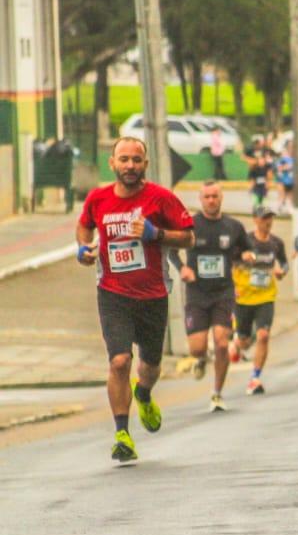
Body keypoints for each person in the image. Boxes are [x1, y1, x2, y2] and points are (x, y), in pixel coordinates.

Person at [76, 136, 194, 462]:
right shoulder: (98, 199)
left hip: (153, 295)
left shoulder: (161, 198)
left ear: (145, 164)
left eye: (136, 160)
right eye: (123, 159)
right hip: (112, 294)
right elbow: (84, 227)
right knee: (119, 361)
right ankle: (122, 434)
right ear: (112, 163)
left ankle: (143, 393)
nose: (130, 166)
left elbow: (188, 236)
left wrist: (155, 234)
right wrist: (83, 249)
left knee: (150, 366)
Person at [169, 181, 252, 411]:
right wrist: (182, 268)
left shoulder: (233, 226)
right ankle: (202, 359)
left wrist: (247, 256)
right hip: (197, 293)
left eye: (215, 196)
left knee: (222, 343)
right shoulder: (190, 225)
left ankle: (217, 393)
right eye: (207, 197)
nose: (211, 200)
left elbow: (245, 248)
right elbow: (171, 250)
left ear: (221, 198)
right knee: (196, 347)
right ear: (200, 199)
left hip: (223, 292)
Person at [232, 206, 289, 394]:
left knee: (264, 335)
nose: (268, 222)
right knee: (245, 341)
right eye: (264, 218)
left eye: (270, 218)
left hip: (266, 296)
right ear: (255, 219)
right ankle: (237, 343)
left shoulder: (276, 243)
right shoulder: (245, 241)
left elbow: (285, 263)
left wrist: (282, 272)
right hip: (244, 297)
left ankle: (255, 377)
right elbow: (229, 261)